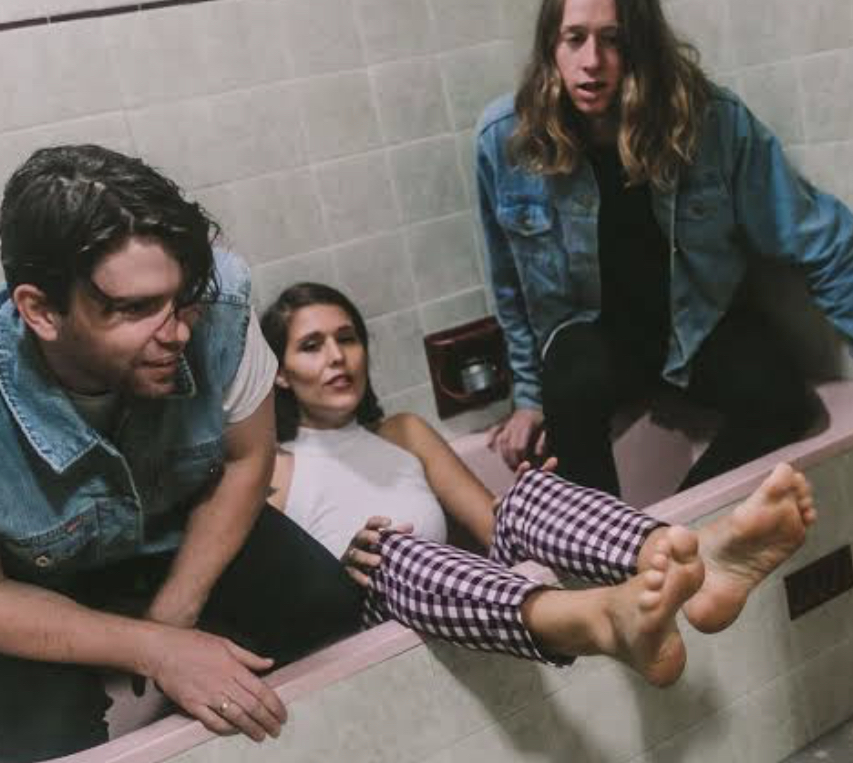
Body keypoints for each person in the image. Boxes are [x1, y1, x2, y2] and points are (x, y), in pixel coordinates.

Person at [261, 281, 816, 689]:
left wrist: (539, 502)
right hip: (368, 623)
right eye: (311, 346)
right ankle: (603, 620)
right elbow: (286, 611)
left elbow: (492, 524)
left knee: (525, 494)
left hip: (456, 600)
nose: (337, 357)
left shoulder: (403, 433)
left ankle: (701, 562)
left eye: (347, 338)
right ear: (279, 372)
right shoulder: (273, 470)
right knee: (390, 549)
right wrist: (344, 571)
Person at [0, 146, 363, 763]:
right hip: (37, 580)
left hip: (178, 529)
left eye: (181, 298)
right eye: (135, 309)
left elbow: (248, 459)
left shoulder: (220, 304)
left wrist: (176, 611)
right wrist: (156, 649)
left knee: (325, 608)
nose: (178, 333)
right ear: (41, 311)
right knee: (38, 737)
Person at [477, 0, 853, 495]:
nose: (592, 61)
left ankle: (685, 525)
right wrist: (528, 397)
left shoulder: (712, 121)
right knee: (569, 383)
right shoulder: (506, 136)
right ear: (551, 45)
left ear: (642, 44)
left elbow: (818, 235)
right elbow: (508, 282)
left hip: (695, 325)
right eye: (575, 38)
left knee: (780, 397)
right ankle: (608, 539)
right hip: (593, 339)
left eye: (613, 40)